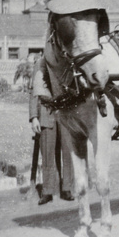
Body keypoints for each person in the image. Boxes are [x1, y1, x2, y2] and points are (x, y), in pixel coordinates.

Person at [29, 56, 74, 205]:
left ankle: (67, 188)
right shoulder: (41, 62)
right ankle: (48, 191)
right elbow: (34, 91)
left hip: (65, 111)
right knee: (47, 153)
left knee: (68, 152)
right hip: (46, 110)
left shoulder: (67, 61)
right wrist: (34, 117)